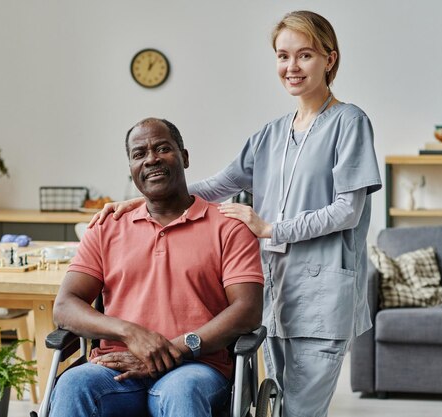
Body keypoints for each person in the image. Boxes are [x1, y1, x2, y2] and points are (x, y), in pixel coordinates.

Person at [91, 10, 382, 417]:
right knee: (279, 406)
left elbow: (348, 210)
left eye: (305, 56)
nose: (291, 67)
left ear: (329, 59)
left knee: (300, 411)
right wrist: (143, 202)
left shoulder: (350, 122)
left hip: (321, 296)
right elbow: (215, 185)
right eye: (283, 56)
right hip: (277, 293)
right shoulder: (271, 134)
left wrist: (268, 228)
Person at [50, 117, 264, 417]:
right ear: (132, 169)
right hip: (117, 366)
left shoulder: (228, 226)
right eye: (139, 154)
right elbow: (65, 306)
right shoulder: (106, 227)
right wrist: (131, 334)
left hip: (196, 366)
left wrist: (176, 348)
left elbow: (248, 310)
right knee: (73, 385)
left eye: (162, 148)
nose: (151, 159)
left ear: (184, 157)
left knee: (181, 392)